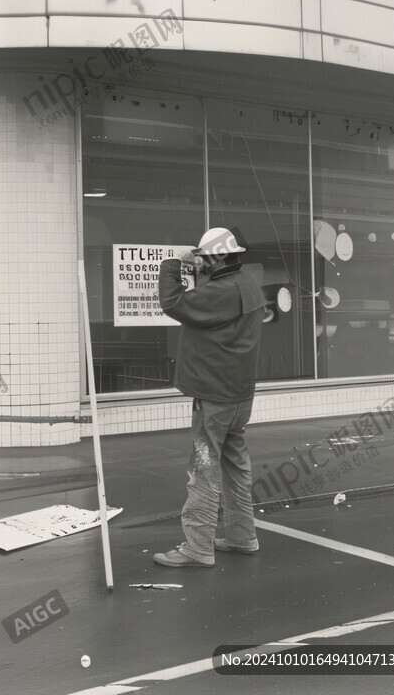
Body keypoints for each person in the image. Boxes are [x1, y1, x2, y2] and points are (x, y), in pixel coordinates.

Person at [153, 227, 266, 568]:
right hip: (239, 395)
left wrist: (174, 264)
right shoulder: (247, 284)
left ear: (217, 258)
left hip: (214, 397)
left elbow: (173, 302)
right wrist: (201, 269)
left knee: (202, 469)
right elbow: (210, 307)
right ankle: (242, 537)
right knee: (235, 467)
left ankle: (198, 548)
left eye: (204, 258)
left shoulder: (222, 291)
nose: (200, 264)